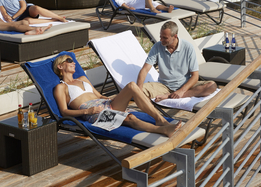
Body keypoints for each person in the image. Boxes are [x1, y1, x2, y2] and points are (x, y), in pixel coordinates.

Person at [53, 54, 181, 137]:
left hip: (105, 104)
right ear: (60, 66)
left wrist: (111, 99)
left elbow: (99, 95)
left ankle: (160, 120)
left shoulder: (83, 79)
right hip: (94, 113)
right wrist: (89, 110)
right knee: (130, 118)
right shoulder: (61, 87)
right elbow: (64, 112)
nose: (73, 62)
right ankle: (163, 130)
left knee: (131, 85)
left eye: (73, 60)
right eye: (69, 60)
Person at [137, 21, 217, 102]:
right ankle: (173, 95)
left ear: (175, 36)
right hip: (163, 87)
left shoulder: (188, 47)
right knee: (135, 89)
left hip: (185, 85)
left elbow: (195, 76)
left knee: (212, 86)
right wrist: (139, 90)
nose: (161, 40)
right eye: (160, 37)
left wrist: (181, 91)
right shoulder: (157, 47)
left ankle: (171, 96)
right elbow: (145, 70)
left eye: (165, 38)